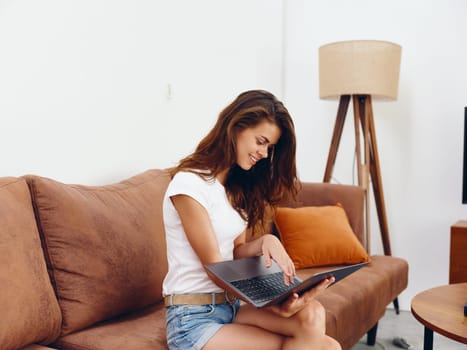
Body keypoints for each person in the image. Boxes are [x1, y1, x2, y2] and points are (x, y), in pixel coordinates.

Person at [162, 90, 341, 350]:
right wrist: (273, 303)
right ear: (236, 127)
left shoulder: (235, 190)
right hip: (192, 317)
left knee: (313, 315)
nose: (264, 153)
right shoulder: (189, 185)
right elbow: (215, 268)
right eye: (261, 141)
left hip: (230, 306)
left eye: (270, 147)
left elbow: (235, 253)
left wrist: (265, 241)